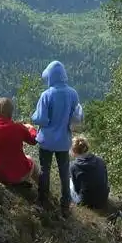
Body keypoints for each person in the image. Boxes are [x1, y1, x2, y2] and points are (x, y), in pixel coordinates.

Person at [31, 60, 84, 217]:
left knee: (44, 170)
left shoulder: (46, 95)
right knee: (64, 172)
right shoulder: (72, 93)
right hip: (64, 140)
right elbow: (75, 117)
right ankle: (65, 204)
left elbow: (41, 119)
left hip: (47, 140)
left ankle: (43, 200)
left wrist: (33, 117)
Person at [0, 97, 40, 186]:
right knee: (31, 160)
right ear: (10, 112)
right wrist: (31, 129)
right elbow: (34, 141)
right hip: (20, 174)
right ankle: (43, 192)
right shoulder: (18, 127)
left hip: (0, 176)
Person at [69, 137, 110, 210]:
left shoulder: (73, 166)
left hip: (85, 202)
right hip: (103, 198)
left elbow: (77, 189)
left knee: (68, 181)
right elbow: (106, 180)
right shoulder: (100, 160)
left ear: (73, 151)